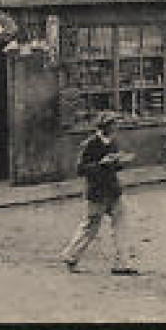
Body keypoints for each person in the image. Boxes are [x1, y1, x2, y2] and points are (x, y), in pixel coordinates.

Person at [60, 112, 138, 275]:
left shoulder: (113, 142)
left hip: (113, 190)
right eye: (112, 124)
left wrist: (119, 162)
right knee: (90, 227)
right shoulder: (89, 144)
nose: (115, 127)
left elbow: (114, 167)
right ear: (104, 127)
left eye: (116, 124)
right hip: (97, 192)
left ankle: (122, 264)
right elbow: (80, 169)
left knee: (121, 226)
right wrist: (101, 164)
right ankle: (71, 255)